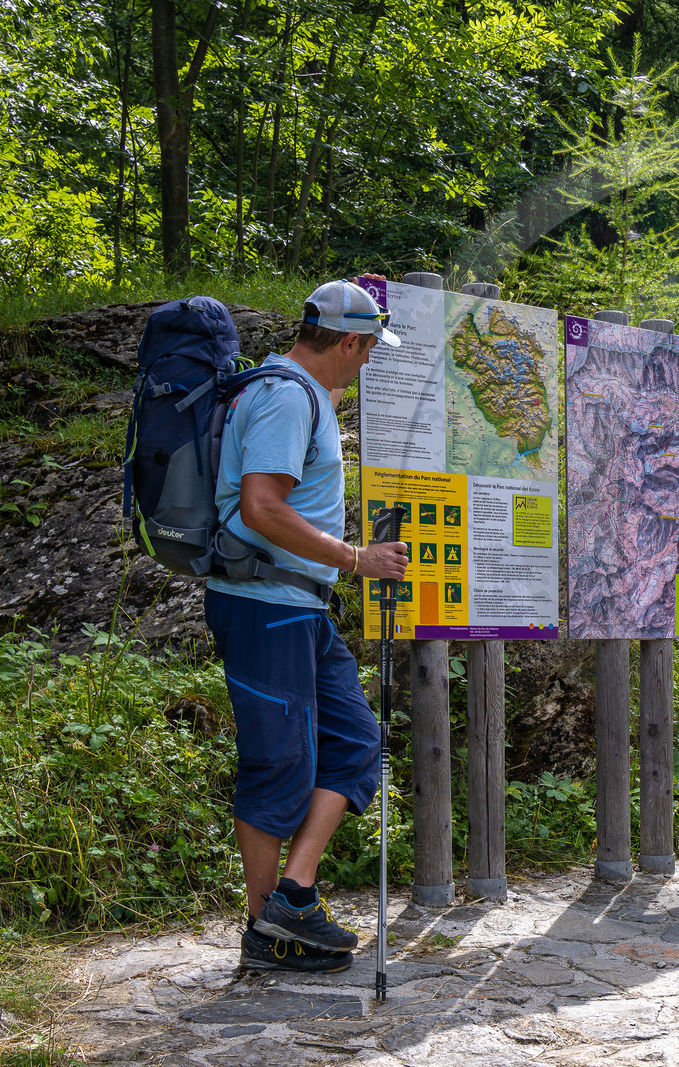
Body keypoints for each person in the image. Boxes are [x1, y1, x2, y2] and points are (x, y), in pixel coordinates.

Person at [206, 280, 409, 973]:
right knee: (278, 765)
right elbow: (263, 506)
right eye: (371, 347)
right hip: (264, 606)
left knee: (355, 741)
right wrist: (357, 558)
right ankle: (268, 932)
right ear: (348, 341)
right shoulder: (288, 396)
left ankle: (290, 897)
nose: (371, 360)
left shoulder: (302, 396)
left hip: (298, 606)